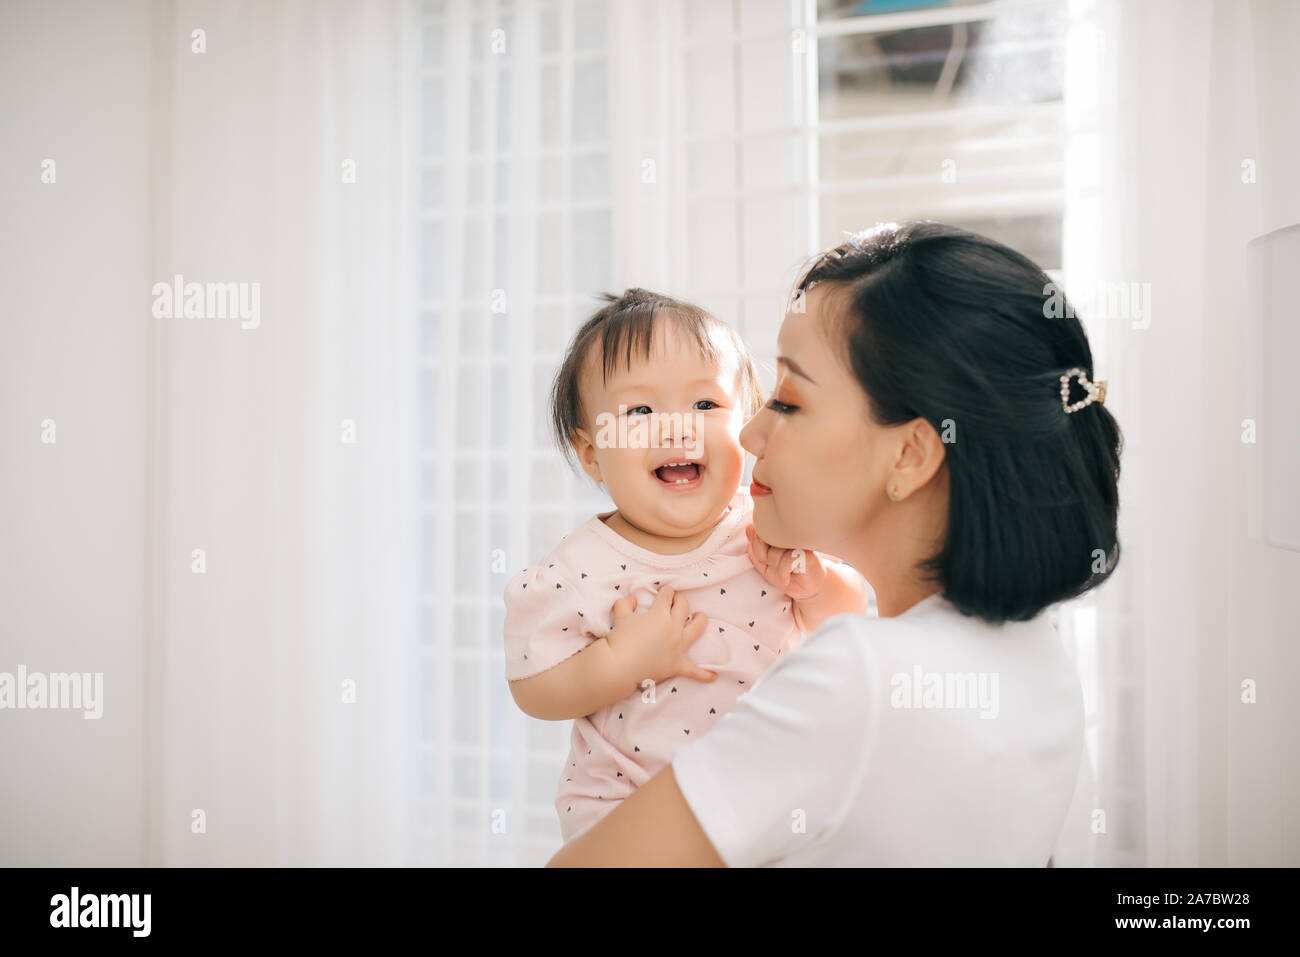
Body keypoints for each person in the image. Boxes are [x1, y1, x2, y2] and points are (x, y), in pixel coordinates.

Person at [547, 221, 1122, 867]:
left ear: (910, 454)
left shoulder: (860, 680)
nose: (749, 433)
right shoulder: (1039, 655)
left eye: (788, 401)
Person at [503, 289, 868, 843]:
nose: (678, 428)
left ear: (746, 424)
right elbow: (533, 685)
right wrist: (620, 661)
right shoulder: (580, 568)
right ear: (591, 452)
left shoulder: (769, 521)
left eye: (705, 406)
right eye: (641, 411)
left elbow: (852, 620)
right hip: (629, 809)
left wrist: (815, 586)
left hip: (770, 799)